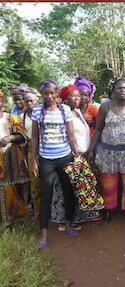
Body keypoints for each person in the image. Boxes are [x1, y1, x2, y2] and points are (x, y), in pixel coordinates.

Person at [89, 79, 125, 225]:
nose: (122, 90)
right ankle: (108, 212)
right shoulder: (105, 107)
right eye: (119, 88)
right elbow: (98, 130)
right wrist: (92, 149)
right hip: (108, 152)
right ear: (114, 90)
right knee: (108, 185)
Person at [31, 80, 80, 248]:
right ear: (42, 95)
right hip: (46, 160)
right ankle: (43, 235)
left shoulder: (65, 110)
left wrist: (77, 154)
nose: (50, 96)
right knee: (46, 196)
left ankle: (68, 224)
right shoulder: (37, 111)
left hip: (65, 157)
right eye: (46, 93)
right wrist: (34, 161)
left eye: (52, 93)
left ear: (57, 93)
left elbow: (71, 135)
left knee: (68, 191)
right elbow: (35, 137)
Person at [50, 85, 101, 228]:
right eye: (73, 96)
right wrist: (75, 153)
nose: (77, 98)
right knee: (67, 189)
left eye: (78, 95)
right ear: (65, 98)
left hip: (80, 155)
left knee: (78, 187)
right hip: (69, 156)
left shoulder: (76, 111)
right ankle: (65, 220)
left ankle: (76, 218)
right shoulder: (62, 114)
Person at [0, 89, 30, 224]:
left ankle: (19, 219)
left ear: (2, 101)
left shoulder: (10, 117)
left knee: (17, 186)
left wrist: (11, 137)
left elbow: (23, 135)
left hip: (12, 158)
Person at [21, 88, 41, 218]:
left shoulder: (44, 113)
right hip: (31, 150)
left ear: (37, 100)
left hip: (45, 148)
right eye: (27, 101)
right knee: (34, 181)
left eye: (31, 101)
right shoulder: (21, 117)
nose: (29, 104)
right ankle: (38, 211)